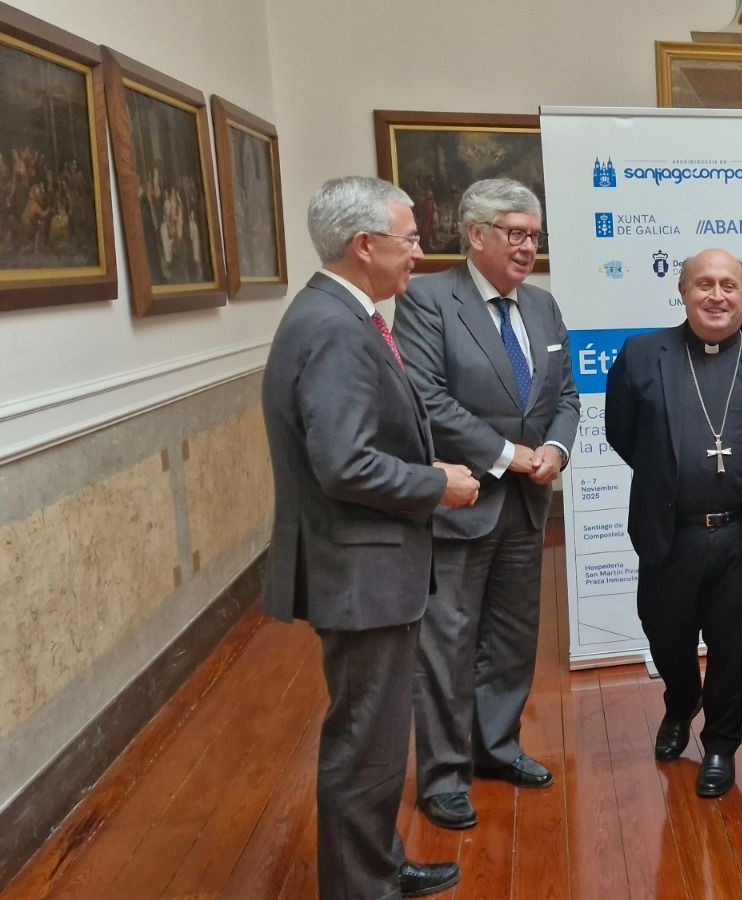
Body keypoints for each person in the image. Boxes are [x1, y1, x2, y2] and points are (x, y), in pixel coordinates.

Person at [261, 175, 479, 899]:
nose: (419, 253)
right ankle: (363, 888)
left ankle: (377, 865)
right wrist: (437, 483)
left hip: (367, 567)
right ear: (364, 246)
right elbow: (345, 463)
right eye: (410, 238)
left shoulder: (339, 313)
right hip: (361, 571)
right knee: (366, 743)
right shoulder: (332, 327)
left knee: (378, 738)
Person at [392, 178, 579, 830]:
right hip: (461, 501)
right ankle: (443, 777)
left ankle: (496, 748)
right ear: (475, 235)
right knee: (447, 643)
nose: (529, 247)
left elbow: (567, 397)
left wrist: (555, 448)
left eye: (534, 235)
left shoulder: (544, 308)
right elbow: (427, 400)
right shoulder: (426, 300)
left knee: (511, 638)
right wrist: (511, 454)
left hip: (529, 505)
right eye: (515, 234)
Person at [605, 248, 742, 797]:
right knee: (667, 638)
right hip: (670, 531)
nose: (716, 295)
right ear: (683, 292)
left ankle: (720, 744)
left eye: (728, 285)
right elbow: (623, 435)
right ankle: (679, 702)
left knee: (736, 648)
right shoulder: (643, 356)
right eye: (703, 285)